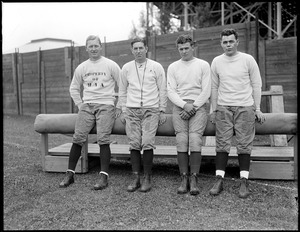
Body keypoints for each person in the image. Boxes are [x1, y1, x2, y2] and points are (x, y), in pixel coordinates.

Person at [209, 28, 266, 198]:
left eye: (231, 41)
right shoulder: (217, 61)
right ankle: (219, 179)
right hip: (224, 107)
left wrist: (257, 108)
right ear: (221, 43)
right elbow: (214, 86)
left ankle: (244, 181)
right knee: (222, 143)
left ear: (237, 42)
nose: (228, 45)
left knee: (243, 144)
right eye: (225, 42)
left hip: (245, 107)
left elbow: (257, 84)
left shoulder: (248, 59)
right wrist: (213, 109)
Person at [59, 35, 121, 190]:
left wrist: (120, 105)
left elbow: (123, 85)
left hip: (106, 105)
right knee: (78, 136)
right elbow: (73, 88)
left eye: (96, 46)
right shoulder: (82, 67)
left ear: (101, 47)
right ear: (86, 48)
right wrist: (80, 104)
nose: (93, 49)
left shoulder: (110, 65)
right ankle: (70, 174)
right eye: (90, 46)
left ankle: (103, 176)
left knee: (103, 138)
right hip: (87, 105)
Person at [118, 37, 167, 193]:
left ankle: (147, 177)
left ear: (146, 49)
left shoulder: (156, 67)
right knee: (134, 142)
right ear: (132, 50)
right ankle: (136, 176)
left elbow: (162, 89)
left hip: (150, 110)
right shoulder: (126, 68)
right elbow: (122, 90)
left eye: (141, 48)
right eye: (135, 48)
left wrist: (161, 110)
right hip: (132, 111)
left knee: (146, 141)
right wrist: (123, 110)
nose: (138, 51)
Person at [167, 34, 211, 195]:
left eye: (186, 48)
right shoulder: (173, 67)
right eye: (181, 49)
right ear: (178, 49)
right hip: (180, 106)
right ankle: (183, 177)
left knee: (194, 139)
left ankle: (194, 178)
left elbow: (207, 90)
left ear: (193, 47)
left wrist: (194, 106)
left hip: (198, 106)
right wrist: (184, 105)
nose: (184, 51)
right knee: (181, 140)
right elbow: (170, 91)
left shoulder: (203, 65)